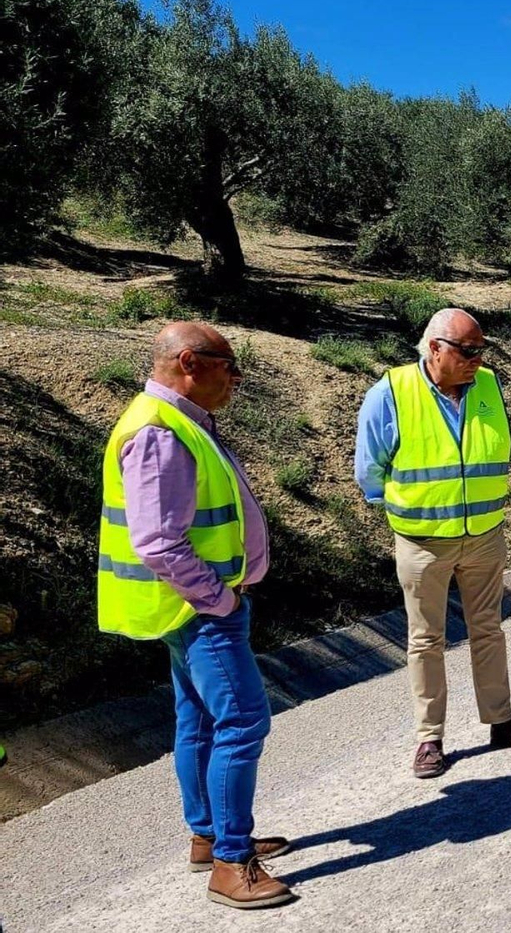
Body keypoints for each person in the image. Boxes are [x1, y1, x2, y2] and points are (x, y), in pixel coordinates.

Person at [98, 322, 293, 908]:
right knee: (243, 721)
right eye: (228, 365)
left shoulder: (174, 421)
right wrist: (221, 598)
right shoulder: (160, 432)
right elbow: (159, 541)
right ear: (190, 362)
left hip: (190, 608)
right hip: (200, 609)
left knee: (200, 721)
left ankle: (209, 836)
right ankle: (233, 862)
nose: (236, 377)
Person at [355, 308, 511, 779]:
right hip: (423, 542)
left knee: (489, 629)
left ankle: (501, 722)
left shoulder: (488, 386)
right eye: (468, 351)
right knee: (426, 640)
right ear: (435, 348)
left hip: (484, 535)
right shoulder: (392, 393)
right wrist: (409, 515)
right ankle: (429, 738)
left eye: (482, 350)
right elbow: (369, 471)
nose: (477, 360)